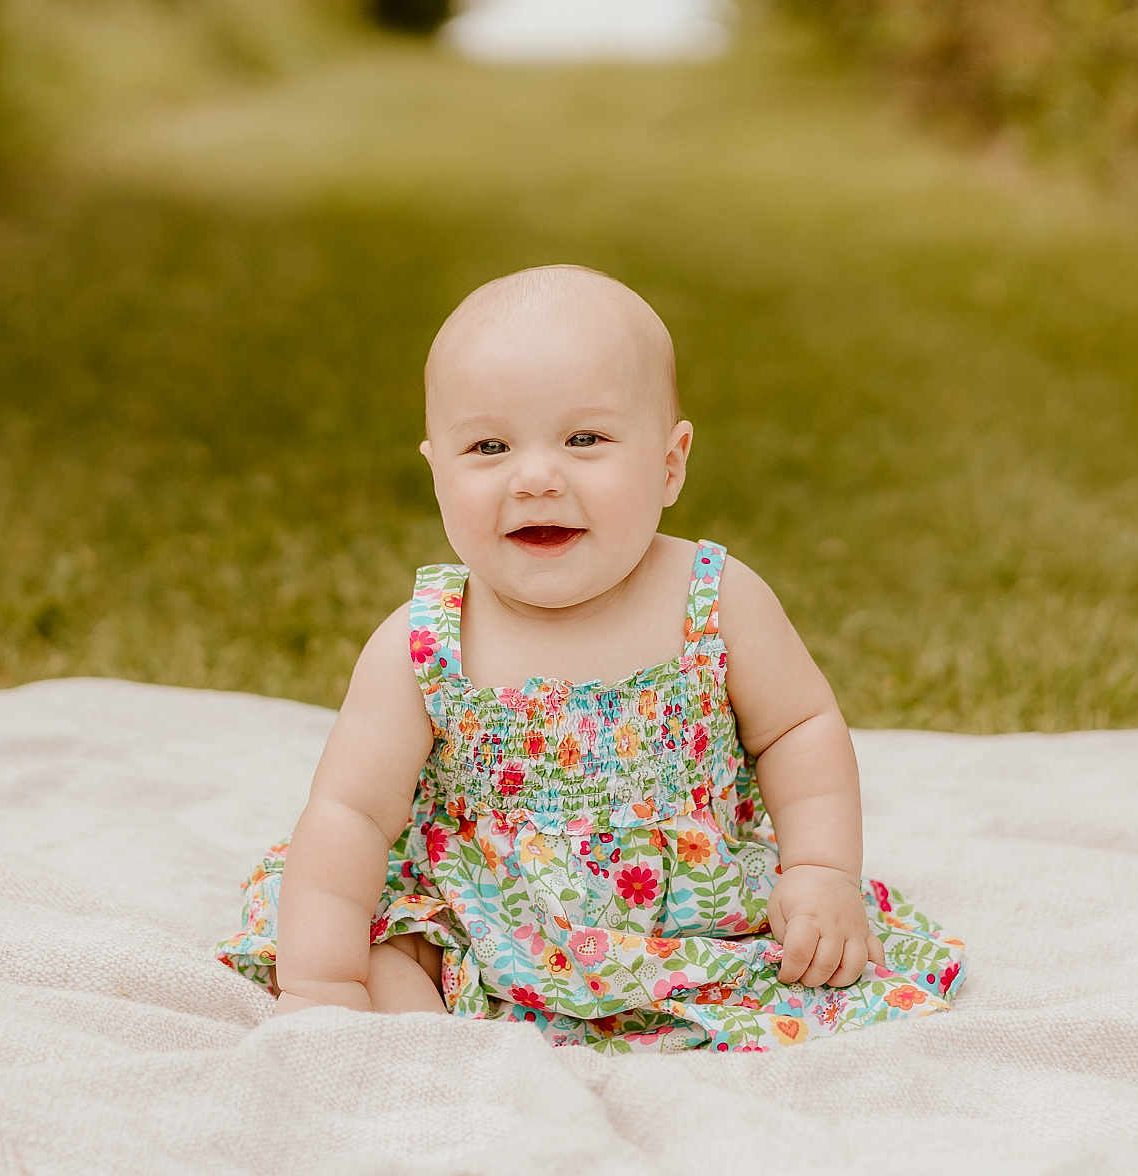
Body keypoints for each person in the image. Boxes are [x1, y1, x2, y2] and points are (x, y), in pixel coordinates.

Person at [215, 264, 966, 1052]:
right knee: (386, 943)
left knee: (803, 970)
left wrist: (819, 871)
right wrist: (322, 986)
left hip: (685, 923)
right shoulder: (426, 640)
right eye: (489, 445)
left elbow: (797, 729)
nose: (536, 477)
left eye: (584, 439)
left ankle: (559, 1027)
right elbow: (350, 815)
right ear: (436, 471)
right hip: (476, 919)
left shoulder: (713, 599)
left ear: (669, 463)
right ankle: (435, 1050)